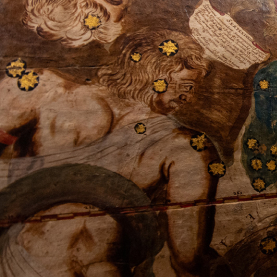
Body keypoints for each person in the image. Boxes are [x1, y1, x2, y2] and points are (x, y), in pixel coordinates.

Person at [0, 28, 218, 276]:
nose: (188, 98)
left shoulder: (42, 88)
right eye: (187, 86)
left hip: (20, 260)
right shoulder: (186, 147)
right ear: (157, 73)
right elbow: (187, 258)